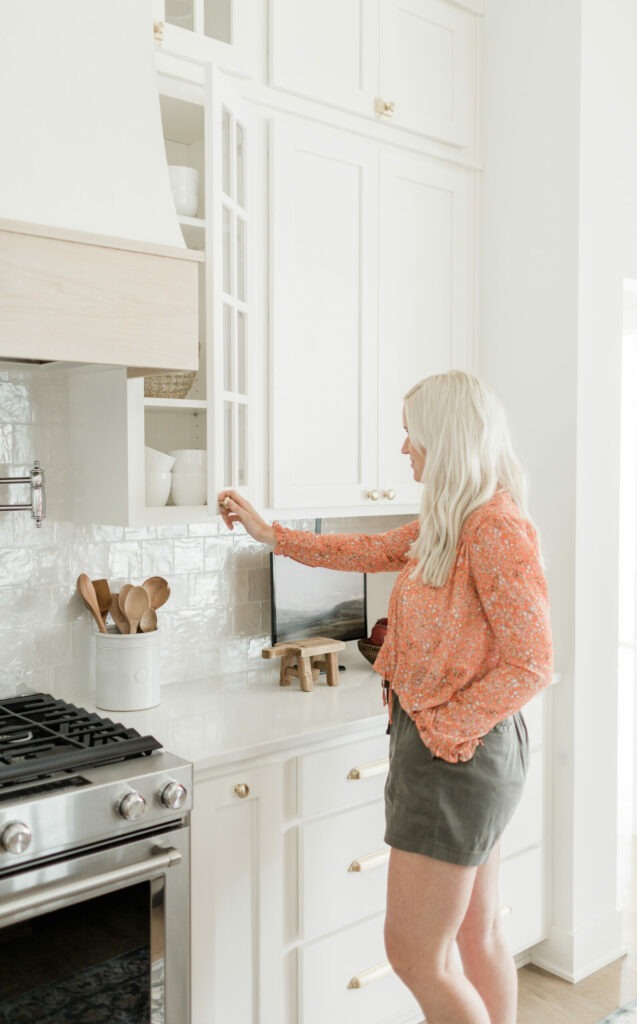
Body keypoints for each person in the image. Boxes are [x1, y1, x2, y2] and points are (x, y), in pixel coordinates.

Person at [218, 370, 553, 1024]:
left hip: (455, 755)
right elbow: (366, 549)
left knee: (412, 956)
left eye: (411, 436)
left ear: (445, 441)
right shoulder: (448, 521)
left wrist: (441, 727)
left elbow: (532, 663)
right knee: (474, 934)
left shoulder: (493, 529)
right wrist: (271, 535)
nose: (404, 450)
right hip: (463, 750)